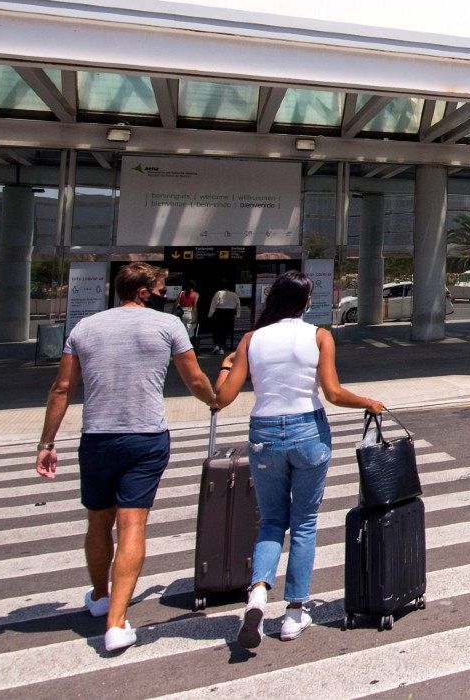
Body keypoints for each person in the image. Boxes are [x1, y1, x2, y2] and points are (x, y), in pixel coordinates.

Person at [37, 263, 217, 653]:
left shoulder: (84, 327)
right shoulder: (168, 327)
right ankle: (116, 623)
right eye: (160, 287)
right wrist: (215, 401)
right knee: (132, 523)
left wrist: (47, 442)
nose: (163, 293)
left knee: (98, 520)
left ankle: (100, 596)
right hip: (146, 436)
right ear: (142, 291)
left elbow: (62, 388)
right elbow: (195, 379)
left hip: (97, 437)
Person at [214, 270, 386, 648]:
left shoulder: (250, 339)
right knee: (305, 522)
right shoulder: (319, 336)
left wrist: (226, 366)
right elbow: (333, 393)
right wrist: (369, 402)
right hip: (308, 431)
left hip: (264, 434)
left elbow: (222, 398)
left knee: (271, 521)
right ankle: (294, 612)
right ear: (306, 302)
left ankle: (257, 594)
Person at [209, 283, 240, 352]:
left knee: (217, 329)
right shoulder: (234, 294)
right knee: (225, 330)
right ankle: (222, 347)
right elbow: (238, 305)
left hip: (219, 312)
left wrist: (210, 314)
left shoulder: (218, 293)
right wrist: (237, 315)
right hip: (230, 313)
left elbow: (213, 304)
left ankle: (216, 345)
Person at [177, 280, 200, 345]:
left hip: (182, 314)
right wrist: (196, 317)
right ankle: (189, 347)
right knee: (190, 332)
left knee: (183, 331)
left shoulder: (181, 293)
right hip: (190, 314)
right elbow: (195, 306)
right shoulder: (196, 294)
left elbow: (176, 304)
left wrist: (172, 313)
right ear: (194, 286)